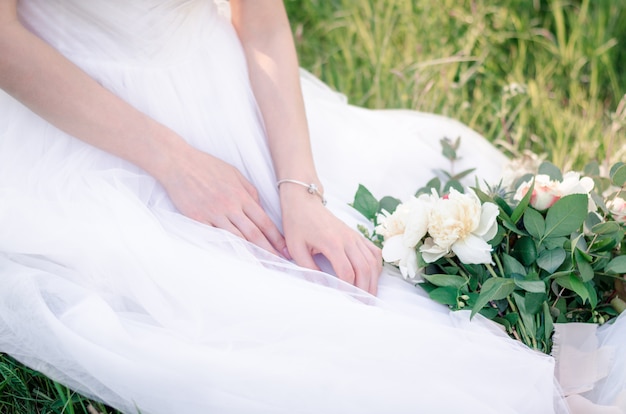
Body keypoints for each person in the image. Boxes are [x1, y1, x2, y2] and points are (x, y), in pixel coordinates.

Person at [0, 0, 618, 413]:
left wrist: (299, 188)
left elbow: (262, 23)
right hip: (80, 126)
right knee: (270, 316)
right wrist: (175, 162)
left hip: (230, 90)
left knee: (366, 246)